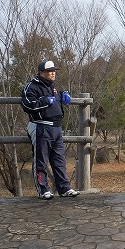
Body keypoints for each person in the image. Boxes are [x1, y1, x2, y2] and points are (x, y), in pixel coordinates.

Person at [21, 60, 80, 200]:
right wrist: (44, 101)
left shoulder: (52, 87)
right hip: (41, 126)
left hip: (56, 127)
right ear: (41, 72)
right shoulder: (32, 86)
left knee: (59, 160)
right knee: (41, 160)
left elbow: (55, 97)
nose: (53, 73)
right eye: (49, 71)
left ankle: (64, 188)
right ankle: (43, 190)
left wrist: (64, 94)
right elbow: (27, 105)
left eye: (54, 71)